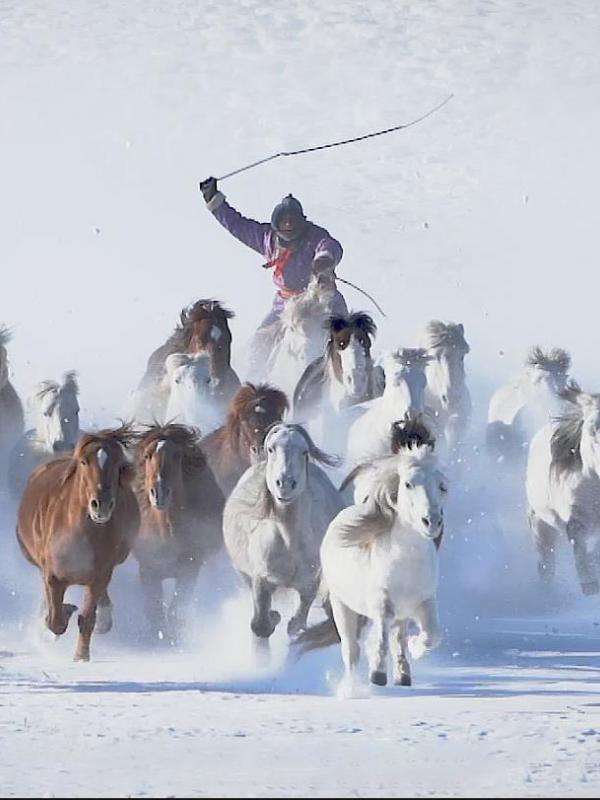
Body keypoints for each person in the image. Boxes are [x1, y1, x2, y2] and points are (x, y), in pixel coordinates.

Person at [199, 176, 348, 379]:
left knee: (347, 338)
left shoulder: (314, 236)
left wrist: (324, 262)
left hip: (321, 300)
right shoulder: (267, 238)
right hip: (285, 305)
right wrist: (214, 200)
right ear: (276, 221)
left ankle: (355, 378)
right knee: (259, 344)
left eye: (293, 220)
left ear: (301, 221)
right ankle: (253, 386)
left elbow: (330, 246)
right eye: (284, 220)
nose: (288, 224)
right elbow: (238, 225)